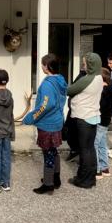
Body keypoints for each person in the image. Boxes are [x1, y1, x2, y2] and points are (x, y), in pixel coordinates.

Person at [23, 54, 67, 195]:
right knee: (53, 151)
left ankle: (48, 184)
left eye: (42, 64)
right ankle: (56, 178)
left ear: (47, 67)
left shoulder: (48, 84)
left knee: (48, 152)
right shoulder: (60, 80)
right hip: (57, 121)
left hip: (48, 124)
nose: (41, 66)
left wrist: (31, 117)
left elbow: (46, 105)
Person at [67, 53, 103, 189]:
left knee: (84, 151)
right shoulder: (99, 77)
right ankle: (91, 177)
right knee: (90, 148)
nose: (83, 66)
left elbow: (69, 91)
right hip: (93, 116)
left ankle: (83, 180)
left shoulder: (87, 79)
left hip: (83, 118)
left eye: (85, 63)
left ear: (91, 65)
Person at [95, 68, 112, 179]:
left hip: (100, 120)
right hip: (106, 120)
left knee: (94, 144)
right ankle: (105, 168)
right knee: (102, 144)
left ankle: (97, 170)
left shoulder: (102, 90)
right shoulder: (111, 89)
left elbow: (100, 106)